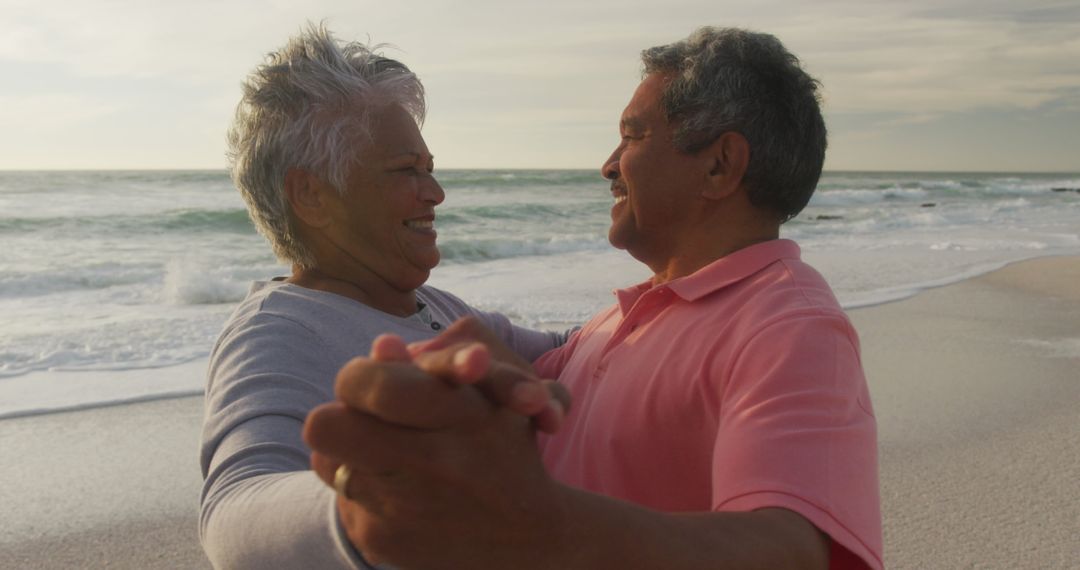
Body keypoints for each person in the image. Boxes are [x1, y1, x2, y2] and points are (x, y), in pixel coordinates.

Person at [304, 27, 883, 570]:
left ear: (719, 164)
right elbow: (529, 397)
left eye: (632, 136)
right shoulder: (625, 317)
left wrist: (537, 528)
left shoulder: (789, 325)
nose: (608, 164)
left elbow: (791, 550)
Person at [198, 25, 569, 569]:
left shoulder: (438, 308)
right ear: (311, 195)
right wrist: (371, 508)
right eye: (406, 171)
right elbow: (234, 517)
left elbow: (571, 352)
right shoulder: (279, 331)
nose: (436, 194)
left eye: (429, 170)